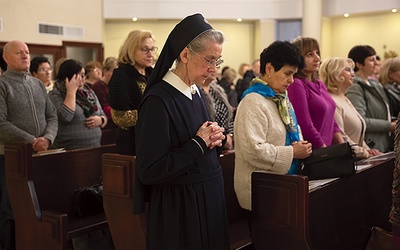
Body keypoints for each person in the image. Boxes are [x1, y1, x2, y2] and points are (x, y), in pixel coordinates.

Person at [134, 13, 230, 249]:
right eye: (209, 60)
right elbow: (150, 170)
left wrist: (215, 139)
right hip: (181, 208)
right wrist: (198, 143)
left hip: (208, 197)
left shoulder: (195, 91)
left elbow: (198, 144)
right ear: (185, 54)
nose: (214, 69)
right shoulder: (158, 100)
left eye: (217, 61)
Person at [234, 40, 311, 211]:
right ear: (269, 69)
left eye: (294, 75)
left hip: (284, 183)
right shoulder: (253, 101)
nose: (291, 80)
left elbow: (292, 130)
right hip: (260, 190)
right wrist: (293, 152)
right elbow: (252, 150)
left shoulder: (281, 98)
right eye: (287, 74)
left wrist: (302, 145)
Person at [0, 40, 58, 250]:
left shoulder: (36, 84)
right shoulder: (2, 84)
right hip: (9, 158)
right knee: (9, 210)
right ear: (6, 58)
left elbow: (52, 115)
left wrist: (48, 138)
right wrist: (32, 140)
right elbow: (1, 123)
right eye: (19, 53)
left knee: (38, 206)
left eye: (27, 52)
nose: (26, 56)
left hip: (39, 155)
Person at [287, 36, 344, 149]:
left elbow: (332, 121)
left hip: (327, 150)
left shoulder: (320, 84)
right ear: (298, 59)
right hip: (314, 152)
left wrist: (343, 148)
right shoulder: (296, 84)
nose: (317, 58)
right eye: (309, 55)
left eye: (317, 53)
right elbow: (305, 126)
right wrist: (324, 151)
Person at [319, 57, 381, 159]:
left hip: (357, 158)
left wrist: (368, 150)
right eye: (348, 70)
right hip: (347, 160)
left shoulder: (345, 99)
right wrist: (364, 152)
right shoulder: (332, 101)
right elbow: (341, 136)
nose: (353, 74)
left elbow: (357, 135)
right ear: (335, 73)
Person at [108, 30, 155, 155]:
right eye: (145, 49)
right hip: (131, 143)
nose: (151, 54)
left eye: (152, 49)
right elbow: (120, 117)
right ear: (131, 50)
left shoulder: (152, 74)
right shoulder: (121, 76)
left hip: (152, 140)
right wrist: (155, 115)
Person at [49, 59, 107, 150]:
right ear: (68, 77)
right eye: (79, 76)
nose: (83, 79)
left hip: (94, 147)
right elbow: (66, 117)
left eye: (83, 75)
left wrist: (101, 120)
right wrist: (71, 92)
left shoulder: (89, 92)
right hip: (70, 149)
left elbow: (102, 114)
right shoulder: (56, 95)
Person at [346, 45, 394, 152]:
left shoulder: (375, 84)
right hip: (371, 145)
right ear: (359, 64)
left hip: (383, 141)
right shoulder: (355, 86)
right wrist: (390, 126)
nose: (377, 63)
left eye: (376, 59)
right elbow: (360, 120)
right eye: (371, 60)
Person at [197, 70, 234, 150]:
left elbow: (229, 117)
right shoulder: (195, 93)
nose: (214, 69)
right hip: (209, 144)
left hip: (225, 141)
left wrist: (229, 135)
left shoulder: (218, 91)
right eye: (210, 62)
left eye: (217, 65)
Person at [92, 56, 118, 129]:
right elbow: (103, 108)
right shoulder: (98, 86)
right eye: (113, 72)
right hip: (106, 126)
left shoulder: (116, 85)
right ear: (105, 71)